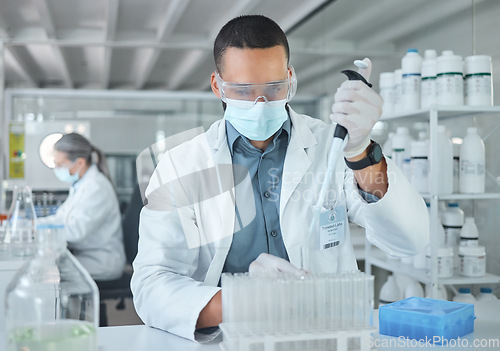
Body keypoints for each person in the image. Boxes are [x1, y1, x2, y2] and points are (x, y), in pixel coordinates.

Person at [131, 15, 429, 341]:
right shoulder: (182, 165)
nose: (260, 104)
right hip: (230, 339)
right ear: (218, 85)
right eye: (243, 91)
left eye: (274, 88)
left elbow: (409, 240)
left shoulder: (331, 146)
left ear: (290, 78)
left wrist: (361, 151)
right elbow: (153, 282)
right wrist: (247, 302)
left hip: (325, 337)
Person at [39, 133, 126, 281]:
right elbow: (60, 217)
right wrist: (33, 224)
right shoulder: (81, 185)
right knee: (45, 267)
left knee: (45, 272)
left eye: (60, 164)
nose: (57, 169)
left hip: (100, 260)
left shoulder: (97, 187)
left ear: (79, 163)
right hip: (84, 255)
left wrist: (41, 229)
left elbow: (76, 231)